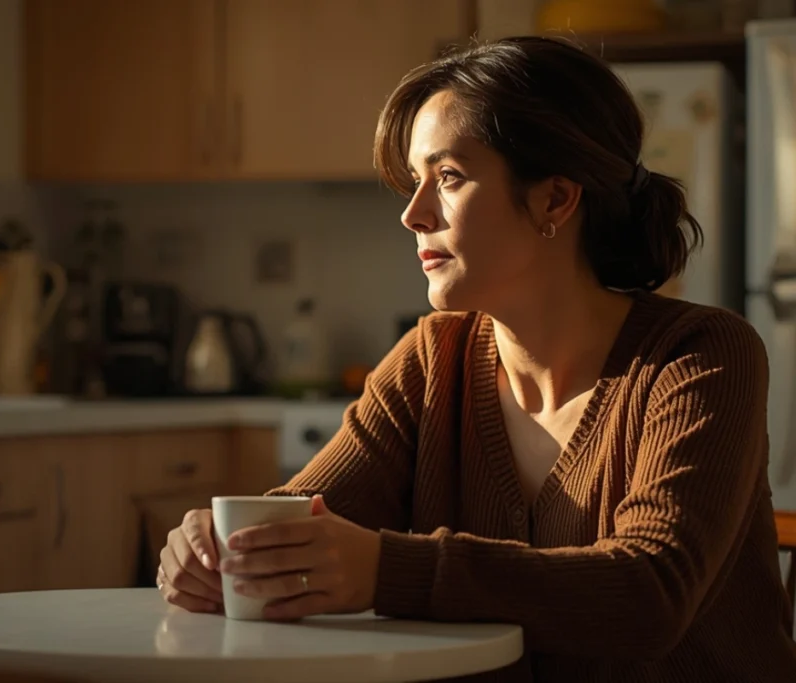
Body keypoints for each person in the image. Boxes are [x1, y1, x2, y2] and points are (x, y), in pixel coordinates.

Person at [156, 36, 796, 681]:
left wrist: (384, 569)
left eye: (450, 178)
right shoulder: (432, 359)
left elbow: (650, 595)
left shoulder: (700, 355)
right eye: (414, 183)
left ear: (554, 199)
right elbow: (305, 517)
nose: (412, 214)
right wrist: (218, 549)